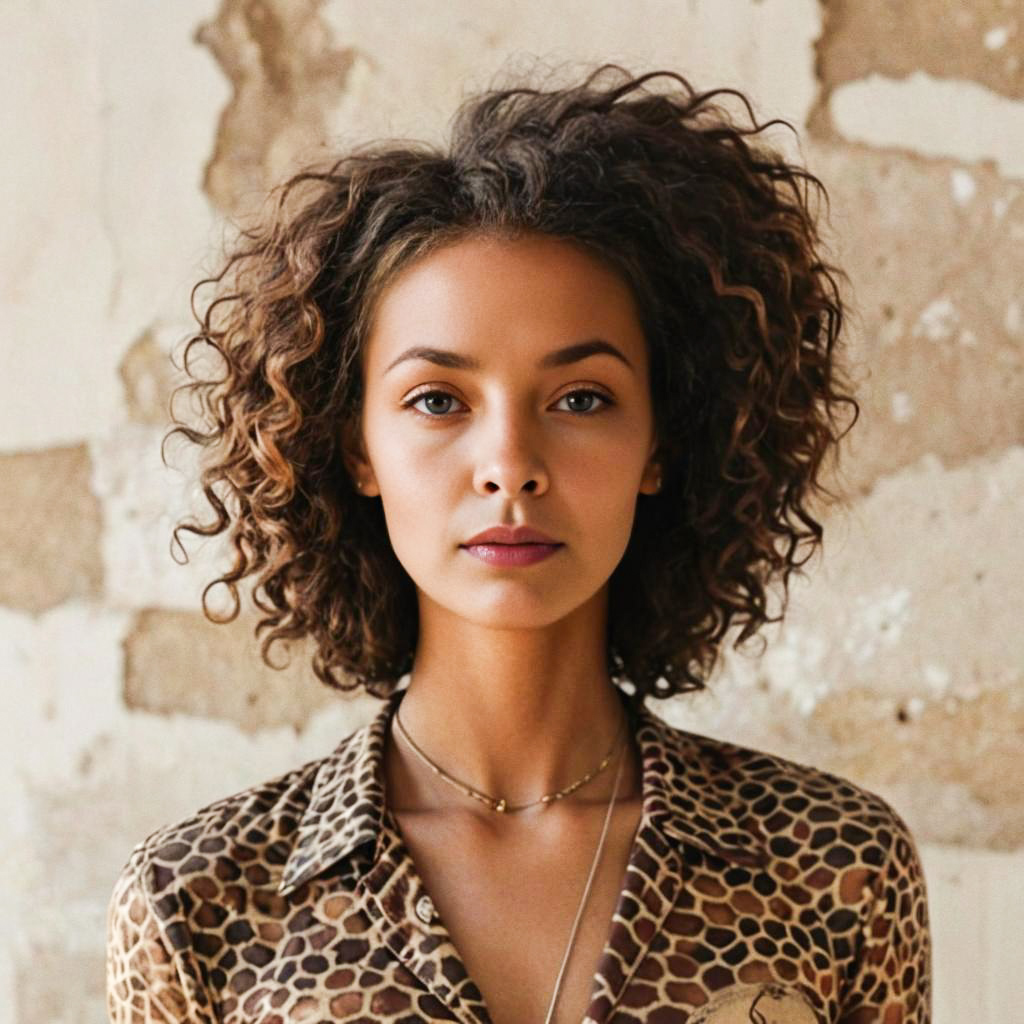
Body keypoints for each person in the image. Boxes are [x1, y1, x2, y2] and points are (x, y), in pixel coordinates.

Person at [105, 63, 932, 1023]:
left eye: (581, 398)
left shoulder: (833, 871)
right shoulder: (201, 901)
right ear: (355, 447)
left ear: (659, 441)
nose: (510, 464)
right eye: (437, 401)